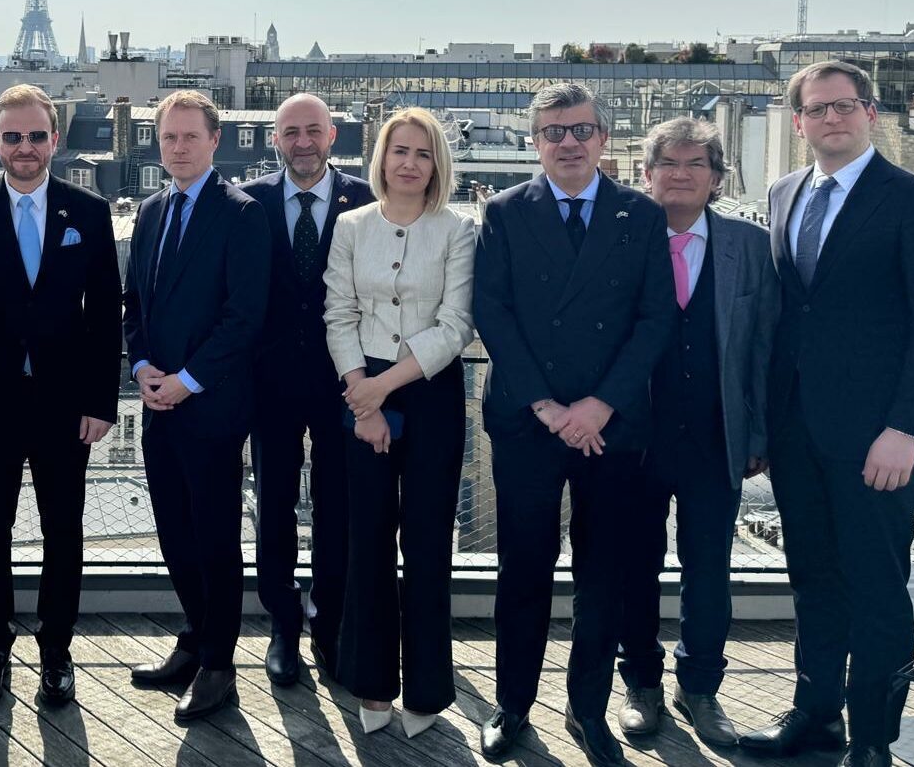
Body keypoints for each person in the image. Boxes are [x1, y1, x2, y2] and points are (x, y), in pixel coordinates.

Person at [739, 61, 914, 767]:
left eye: (845, 105)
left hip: (878, 437)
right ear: (798, 122)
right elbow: (787, 315)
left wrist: (909, 427)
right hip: (797, 431)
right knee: (813, 579)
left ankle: (873, 739)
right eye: (817, 109)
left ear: (871, 114)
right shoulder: (784, 192)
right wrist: (767, 428)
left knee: (877, 588)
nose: (832, 118)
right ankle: (816, 716)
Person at [471, 82, 675, 767]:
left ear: (604, 138)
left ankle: (588, 709)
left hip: (611, 425)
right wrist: (548, 407)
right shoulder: (504, 211)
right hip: (529, 421)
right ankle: (512, 704)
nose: (568, 142)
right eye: (554, 131)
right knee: (522, 570)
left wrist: (599, 405)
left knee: (603, 574)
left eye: (581, 129)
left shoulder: (640, 214)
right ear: (534, 142)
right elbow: (492, 312)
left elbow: (655, 319)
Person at [0, 85, 122, 710]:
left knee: (63, 531)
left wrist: (101, 402)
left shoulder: (88, 211)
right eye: (13, 136)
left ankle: (56, 651)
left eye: (36, 136)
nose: (25, 147)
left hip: (65, 405)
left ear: (55, 140)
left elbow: (106, 315)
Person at [613, 117, 777, 748]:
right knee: (635, 565)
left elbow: (763, 346)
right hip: (635, 436)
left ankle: (701, 687)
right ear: (647, 174)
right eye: (669, 164)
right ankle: (641, 684)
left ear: (716, 178)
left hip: (717, 435)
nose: (681, 175)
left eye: (696, 164)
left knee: (709, 568)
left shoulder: (750, 245)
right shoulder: (620, 238)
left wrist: (758, 432)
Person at [323, 107, 475, 737]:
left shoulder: (457, 229)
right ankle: (372, 681)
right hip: (361, 386)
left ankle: (428, 690)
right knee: (367, 539)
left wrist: (378, 393)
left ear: (437, 164)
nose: (409, 163)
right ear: (380, 158)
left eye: (422, 152)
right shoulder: (351, 225)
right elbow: (339, 313)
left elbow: (456, 325)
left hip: (429, 392)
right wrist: (364, 398)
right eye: (399, 150)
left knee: (429, 541)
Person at [122, 90, 270, 721]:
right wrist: (141, 368)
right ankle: (194, 638)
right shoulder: (152, 210)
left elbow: (245, 316)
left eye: (189, 137)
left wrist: (187, 380)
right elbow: (134, 303)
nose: (178, 148)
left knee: (214, 539)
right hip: (159, 402)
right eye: (168, 138)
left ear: (215, 141)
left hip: (210, 406)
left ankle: (218, 665)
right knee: (175, 534)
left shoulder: (241, 214)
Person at [241, 93, 374, 686]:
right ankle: (283, 622)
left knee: (336, 502)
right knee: (272, 504)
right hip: (269, 382)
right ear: (275, 138)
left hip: (344, 379)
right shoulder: (249, 202)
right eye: (290, 131)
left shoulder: (366, 201)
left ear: (332, 135)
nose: (302, 142)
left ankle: (329, 619)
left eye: (313, 131)